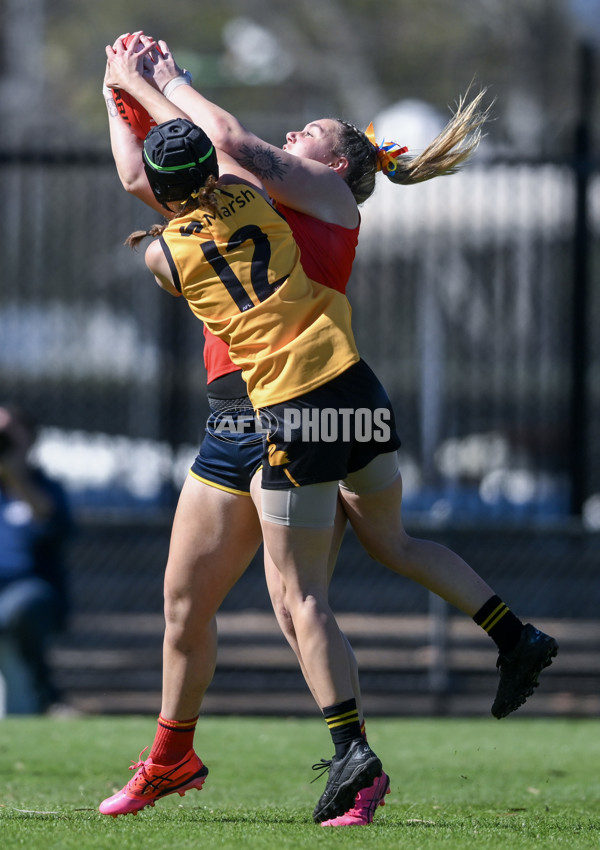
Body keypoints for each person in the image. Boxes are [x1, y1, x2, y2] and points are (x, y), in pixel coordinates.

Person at [99, 34, 558, 826]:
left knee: (294, 595)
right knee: (205, 599)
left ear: (338, 164)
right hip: (295, 403)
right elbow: (160, 172)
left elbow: (217, 151)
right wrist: (125, 97)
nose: (289, 139)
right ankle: (510, 635)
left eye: (307, 133)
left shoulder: (316, 196)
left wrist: (152, 80)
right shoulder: (247, 200)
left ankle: (354, 756)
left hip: (288, 407)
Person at [0, 403, 73, 714]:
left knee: (23, 605)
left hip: (27, 592)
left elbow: (53, 523)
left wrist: (15, 477)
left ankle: (40, 690)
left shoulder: (46, 486)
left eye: (8, 431)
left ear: (29, 438)